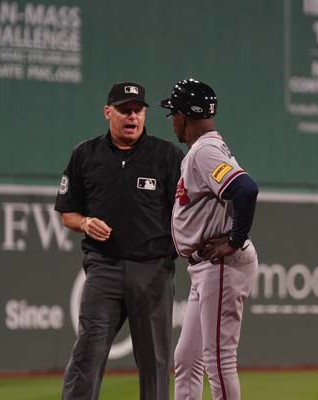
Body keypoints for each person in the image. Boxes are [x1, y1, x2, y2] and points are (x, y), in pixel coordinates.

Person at [55, 81, 184, 400]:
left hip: (153, 271)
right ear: (107, 112)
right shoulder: (85, 154)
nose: (132, 116)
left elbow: (184, 215)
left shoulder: (167, 156)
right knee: (88, 352)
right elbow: (67, 212)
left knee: (155, 363)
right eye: (124, 110)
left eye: (138, 110)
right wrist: (85, 223)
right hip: (104, 269)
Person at [161, 78, 260, 400]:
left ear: (183, 116)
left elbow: (246, 189)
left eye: (173, 113)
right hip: (205, 267)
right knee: (187, 359)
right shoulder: (205, 148)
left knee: (218, 361)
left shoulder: (203, 151)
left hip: (221, 263)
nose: (172, 120)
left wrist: (234, 239)